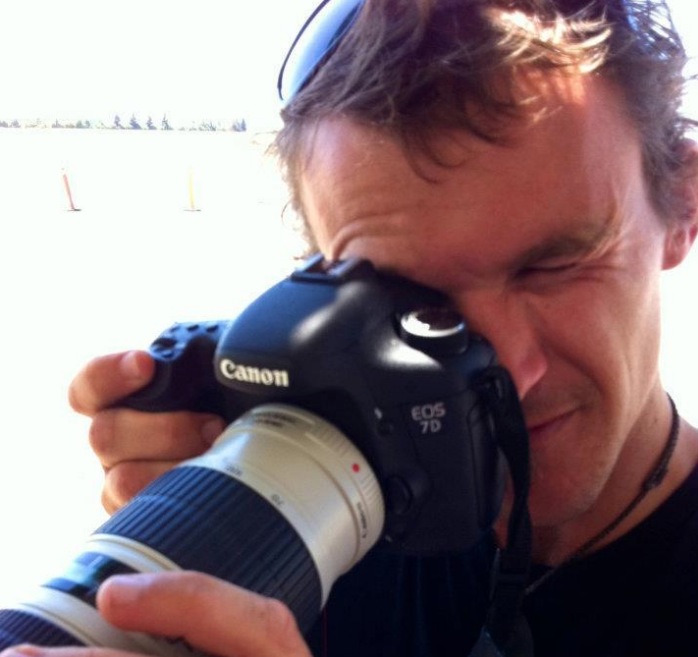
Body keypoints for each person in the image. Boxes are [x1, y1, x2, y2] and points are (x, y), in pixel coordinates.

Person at [3, 0, 698, 655]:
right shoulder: (308, 496)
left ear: (684, 208)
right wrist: (198, 494)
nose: (509, 376)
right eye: (414, 304)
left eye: (555, 265)